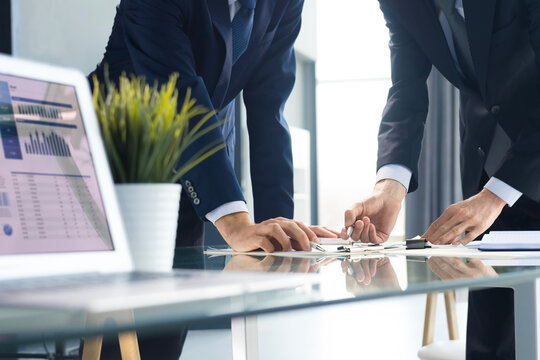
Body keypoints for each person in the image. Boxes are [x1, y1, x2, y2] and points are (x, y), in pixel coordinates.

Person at [88, 1, 338, 358]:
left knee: (163, 339)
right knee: (116, 345)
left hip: (195, 174)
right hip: (120, 169)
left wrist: (279, 231)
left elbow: (270, 112)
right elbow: (177, 93)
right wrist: (236, 222)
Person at [341, 0, 540, 358]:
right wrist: (390, 185)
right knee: (491, 340)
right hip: (484, 171)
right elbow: (406, 90)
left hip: (519, 168)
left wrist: (496, 194)